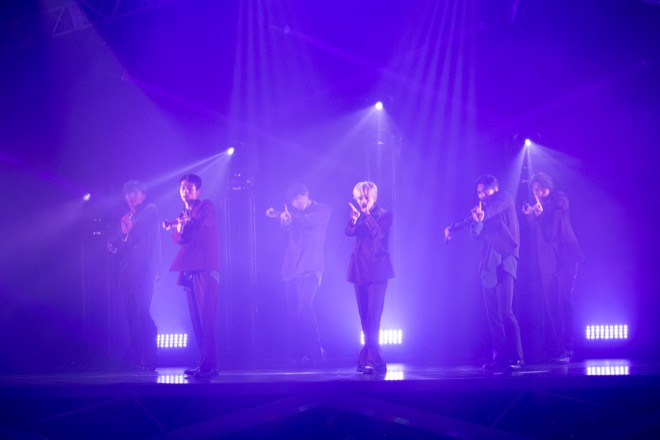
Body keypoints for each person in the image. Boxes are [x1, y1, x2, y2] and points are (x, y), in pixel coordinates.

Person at [445, 174, 524, 372]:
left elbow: (491, 210)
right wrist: (452, 228)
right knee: (494, 316)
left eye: (485, 190)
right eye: (479, 192)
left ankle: (517, 357)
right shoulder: (481, 211)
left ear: (495, 188)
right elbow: (473, 229)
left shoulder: (504, 198)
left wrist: (481, 216)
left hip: (505, 260)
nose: (481, 195)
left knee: (505, 311)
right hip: (488, 265)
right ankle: (500, 358)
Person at [265, 183, 331, 367]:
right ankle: (297, 353)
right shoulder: (292, 215)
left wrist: (283, 214)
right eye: (292, 201)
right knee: (293, 313)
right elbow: (286, 225)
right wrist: (282, 218)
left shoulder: (323, 210)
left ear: (305, 194)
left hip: (312, 265)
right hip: (291, 268)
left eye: (297, 198)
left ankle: (316, 350)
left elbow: (309, 220)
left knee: (304, 307)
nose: (295, 203)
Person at [522, 172, 584, 364]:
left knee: (562, 299)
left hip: (566, 257)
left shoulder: (559, 198)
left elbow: (557, 208)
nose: (538, 193)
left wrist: (541, 210)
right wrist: (532, 214)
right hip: (548, 263)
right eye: (535, 190)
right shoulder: (537, 209)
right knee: (550, 304)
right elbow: (534, 222)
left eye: (541, 188)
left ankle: (568, 346)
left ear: (548, 187)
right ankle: (560, 348)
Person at [164, 174, 220, 379]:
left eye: (189, 188)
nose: (185, 191)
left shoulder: (206, 206)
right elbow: (177, 239)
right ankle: (204, 364)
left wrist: (182, 223)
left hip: (205, 268)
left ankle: (209, 365)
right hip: (190, 270)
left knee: (206, 318)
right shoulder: (184, 213)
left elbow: (203, 224)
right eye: (182, 188)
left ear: (198, 191)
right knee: (196, 319)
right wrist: (179, 226)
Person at [107, 179, 160, 372]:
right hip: (128, 271)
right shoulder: (126, 218)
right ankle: (138, 356)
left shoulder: (150, 210)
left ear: (143, 196)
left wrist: (123, 235)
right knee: (132, 317)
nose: (131, 197)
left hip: (145, 270)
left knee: (143, 312)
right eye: (128, 194)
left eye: (135, 193)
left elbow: (137, 229)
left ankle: (149, 357)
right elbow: (126, 244)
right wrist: (116, 244)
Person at [346, 181, 394, 374]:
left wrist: (367, 216)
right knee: (365, 318)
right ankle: (376, 358)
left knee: (374, 316)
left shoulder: (385, 215)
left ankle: (370, 359)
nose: (363, 201)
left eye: (366, 197)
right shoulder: (358, 216)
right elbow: (349, 232)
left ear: (374, 197)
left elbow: (380, 235)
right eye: (359, 198)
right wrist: (353, 220)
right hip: (359, 270)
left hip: (378, 271)